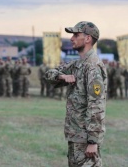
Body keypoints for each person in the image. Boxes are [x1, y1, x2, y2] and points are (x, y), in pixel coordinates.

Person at [45, 21, 107, 167]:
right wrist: (62, 77)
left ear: (87, 39)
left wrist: (93, 141)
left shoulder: (93, 67)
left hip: (85, 139)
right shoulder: (77, 64)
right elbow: (48, 74)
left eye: (76, 34)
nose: (71, 38)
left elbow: (97, 106)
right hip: (75, 135)